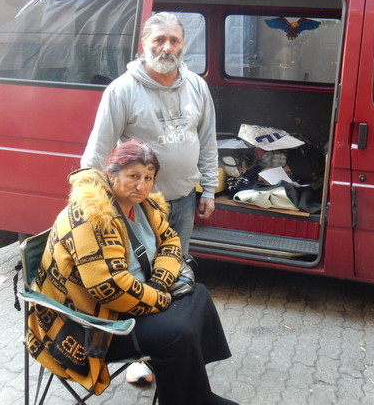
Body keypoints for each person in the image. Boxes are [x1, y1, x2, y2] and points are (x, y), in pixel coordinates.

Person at [26, 140, 237, 405]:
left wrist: (159, 284)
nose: (143, 185)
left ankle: (190, 387)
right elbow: (109, 289)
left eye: (149, 177)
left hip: (139, 294)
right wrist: (161, 299)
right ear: (112, 174)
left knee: (199, 295)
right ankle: (189, 394)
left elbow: (171, 243)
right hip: (90, 322)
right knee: (177, 333)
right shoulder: (92, 217)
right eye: (134, 176)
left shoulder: (143, 205)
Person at [81, 11, 219, 255]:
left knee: (177, 266)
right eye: (159, 40)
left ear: (183, 46)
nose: (167, 47)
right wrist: (90, 203)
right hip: (139, 203)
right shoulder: (121, 90)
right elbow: (98, 150)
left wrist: (208, 189)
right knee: (141, 272)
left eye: (174, 41)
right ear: (144, 43)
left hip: (185, 200)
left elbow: (207, 140)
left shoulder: (197, 86)